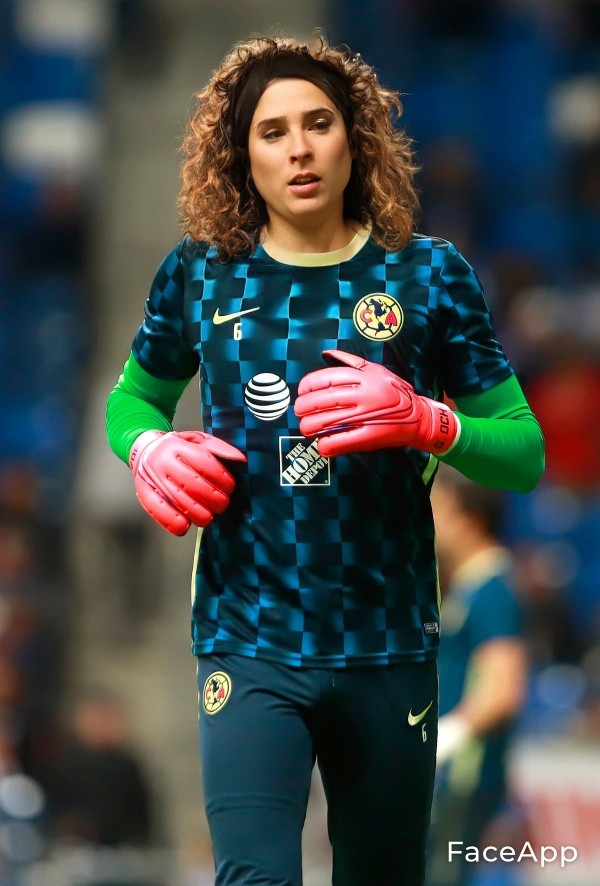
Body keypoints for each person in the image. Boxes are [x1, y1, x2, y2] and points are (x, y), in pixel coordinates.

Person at [105, 35, 544, 885]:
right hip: (249, 637)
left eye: (319, 124)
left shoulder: (428, 275)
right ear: (243, 155)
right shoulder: (199, 275)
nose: (299, 147)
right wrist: (147, 444)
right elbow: (133, 401)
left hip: (390, 644)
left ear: (357, 140)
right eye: (272, 132)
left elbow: (523, 455)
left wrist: (428, 422)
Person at [426, 465, 528, 886]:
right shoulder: (465, 587)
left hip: (465, 775)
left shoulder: (493, 591)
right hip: (451, 776)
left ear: (468, 515)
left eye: (436, 506)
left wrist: (449, 736)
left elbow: (503, 688)